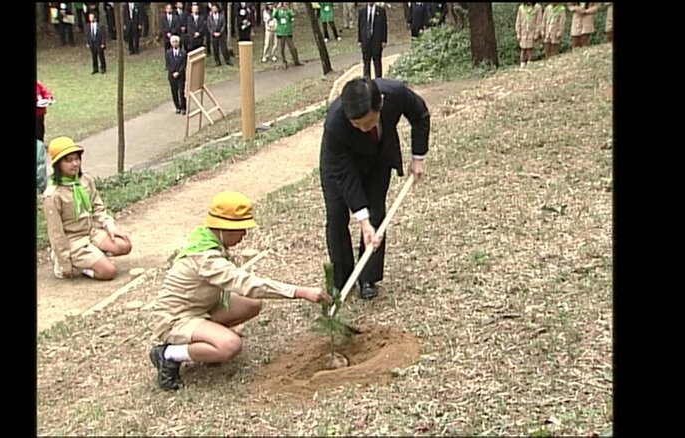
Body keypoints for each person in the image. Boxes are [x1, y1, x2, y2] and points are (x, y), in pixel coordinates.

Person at [148, 191, 332, 391]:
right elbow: (246, 284)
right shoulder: (206, 258)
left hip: (201, 308)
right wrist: (299, 291)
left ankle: (207, 340)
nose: (244, 235)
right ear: (224, 228)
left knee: (250, 304)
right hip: (176, 319)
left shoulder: (207, 239)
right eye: (240, 229)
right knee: (230, 345)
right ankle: (168, 355)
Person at [319, 78, 429, 300]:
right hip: (339, 166)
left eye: (368, 123)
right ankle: (341, 280)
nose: (362, 128)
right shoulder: (335, 123)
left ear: (380, 103)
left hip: (378, 158)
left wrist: (418, 157)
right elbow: (345, 175)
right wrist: (362, 219)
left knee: (376, 211)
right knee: (337, 215)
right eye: (357, 125)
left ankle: (368, 277)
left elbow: (420, 115)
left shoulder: (395, 93)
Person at [43, 137, 133, 281]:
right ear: (57, 164)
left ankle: (95, 256)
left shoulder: (84, 180)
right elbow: (56, 233)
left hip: (90, 232)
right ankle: (78, 263)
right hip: (73, 240)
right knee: (108, 272)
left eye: (77, 159)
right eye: (68, 160)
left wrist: (109, 226)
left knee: (124, 245)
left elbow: (98, 207)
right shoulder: (53, 194)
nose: (75, 163)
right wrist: (64, 261)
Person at [358, 2, 387, 79]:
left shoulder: (381, 11)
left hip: (376, 41)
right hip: (365, 41)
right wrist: (360, 40)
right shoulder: (362, 11)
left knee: (377, 61)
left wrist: (384, 40)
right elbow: (360, 26)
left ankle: (379, 80)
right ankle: (367, 81)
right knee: (366, 62)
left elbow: (384, 26)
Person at [273, 2, 302, 68]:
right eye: (283, 5)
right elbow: (274, 15)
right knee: (281, 49)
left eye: (285, 4)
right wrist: (278, 8)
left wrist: (287, 9)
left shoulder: (288, 12)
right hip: (281, 32)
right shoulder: (278, 12)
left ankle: (296, 61)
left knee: (293, 48)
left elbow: (292, 14)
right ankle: (284, 62)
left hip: (288, 32)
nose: (283, 6)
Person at [515, 2, 542, 68]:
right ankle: (522, 64)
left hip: (531, 32)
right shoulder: (521, 8)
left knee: (530, 49)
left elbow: (539, 22)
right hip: (523, 33)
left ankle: (530, 64)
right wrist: (518, 33)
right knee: (523, 49)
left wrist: (537, 33)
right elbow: (518, 22)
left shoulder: (537, 7)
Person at [166, 35, 187, 114]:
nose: (175, 44)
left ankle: (183, 107)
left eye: (176, 42)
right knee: (174, 92)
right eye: (173, 42)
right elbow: (168, 65)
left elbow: (183, 64)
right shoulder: (168, 53)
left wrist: (178, 72)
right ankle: (177, 107)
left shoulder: (183, 53)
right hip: (172, 76)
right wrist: (173, 72)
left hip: (181, 76)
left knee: (181, 91)